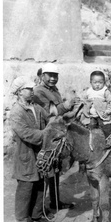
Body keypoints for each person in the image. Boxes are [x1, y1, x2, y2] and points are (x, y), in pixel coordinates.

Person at [10, 76, 55, 222]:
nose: (32, 91)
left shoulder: (35, 106)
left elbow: (50, 117)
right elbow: (26, 133)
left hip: (39, 152)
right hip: (26, 154)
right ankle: (22, 218)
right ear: (20, 92)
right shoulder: (17, 111)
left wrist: (68, 108)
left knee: (42, 181)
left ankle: (37, 213)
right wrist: (46, 134)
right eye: (29, 89)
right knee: (26, 186)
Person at [33, 63, 77, 211]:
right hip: (48, 135)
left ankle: (55, 202)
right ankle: (39, 209)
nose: (53, 78)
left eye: (55, 75)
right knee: (45, 172)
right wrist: (66, 105)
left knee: (55, 170)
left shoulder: (54, 90)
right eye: (49, 75)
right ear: (42, 76)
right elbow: (49, 113)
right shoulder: (39, 91)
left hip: (56, 134)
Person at [82, 70, 111, 137]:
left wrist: (109, 109)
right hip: (91, 115)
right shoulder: (89, 91)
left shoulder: (105, 91)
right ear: (91, 82)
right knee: (90, 127)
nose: (97, 84)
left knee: (105, 127)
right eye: (95, 82)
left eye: (100, 82)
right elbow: (84, 101)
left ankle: (109, 139)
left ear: (104, 82)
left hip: (103, 115)